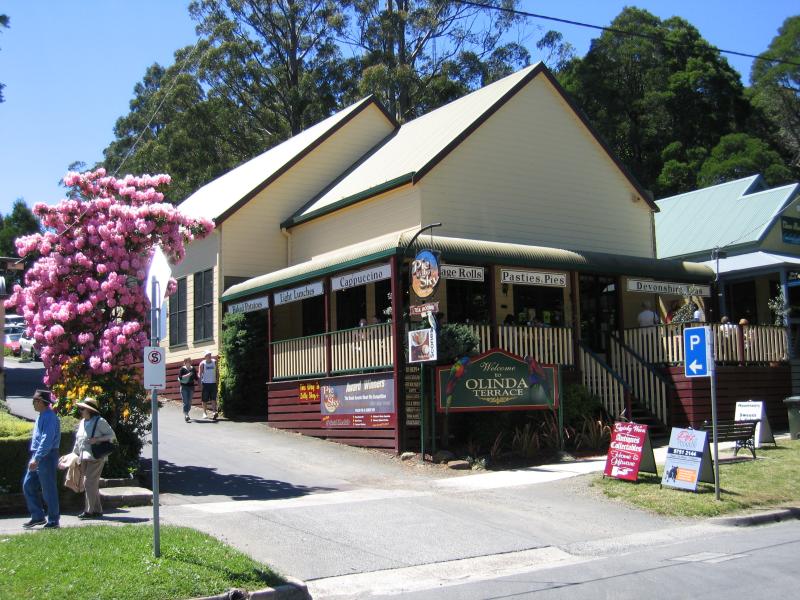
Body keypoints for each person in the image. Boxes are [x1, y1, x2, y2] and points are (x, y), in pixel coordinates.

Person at [22, 389, 61, 529]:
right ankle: (38, 516)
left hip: (47, 455)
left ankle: (53, 520)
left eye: (34, 401)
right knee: (28, 485)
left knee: (48, 489)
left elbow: (46, 440)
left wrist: (37, 458)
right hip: (39, 455)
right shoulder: (42, 416)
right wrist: (36, 457)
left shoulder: (50, 417)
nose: (33, 403)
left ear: (41, 402)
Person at [72, 397, 116, 520]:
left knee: (89, 482)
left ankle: (89, 511)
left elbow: (112, 436)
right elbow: (78, 439)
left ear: (90, 410)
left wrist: (97, 439)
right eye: (80, 409)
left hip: (95, 457)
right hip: (84, 457)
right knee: (91, 483)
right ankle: (97, 510)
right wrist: (74, 454)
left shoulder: (100, 421)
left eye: (82, 409)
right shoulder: (82, 422)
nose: (80, 411)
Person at [198, 351, 219, 420]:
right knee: (204, 399)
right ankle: (204, 413)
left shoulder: (214, 362)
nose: (209, 356)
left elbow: (217, 372)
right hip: (205, 384)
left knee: (213, 398)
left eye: (210, 355)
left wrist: (217, 382)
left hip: (213, 383)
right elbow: (199, 374)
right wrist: (200, 384)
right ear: (205, 357)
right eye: (208, 355)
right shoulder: (202, 363)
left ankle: (214, 412)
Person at [178, 357, 198, 423]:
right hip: (184, 387)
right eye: (187, 361)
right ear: (185, 362)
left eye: (189, 361)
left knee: (189, 402)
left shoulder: (193, 369)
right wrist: (188, 375)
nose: (188, 362)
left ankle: (187, 412)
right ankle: (186, 414)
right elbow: (180, 377)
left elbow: (196, 378)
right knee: (185, 401)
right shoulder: (182, 369)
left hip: (191, 387)